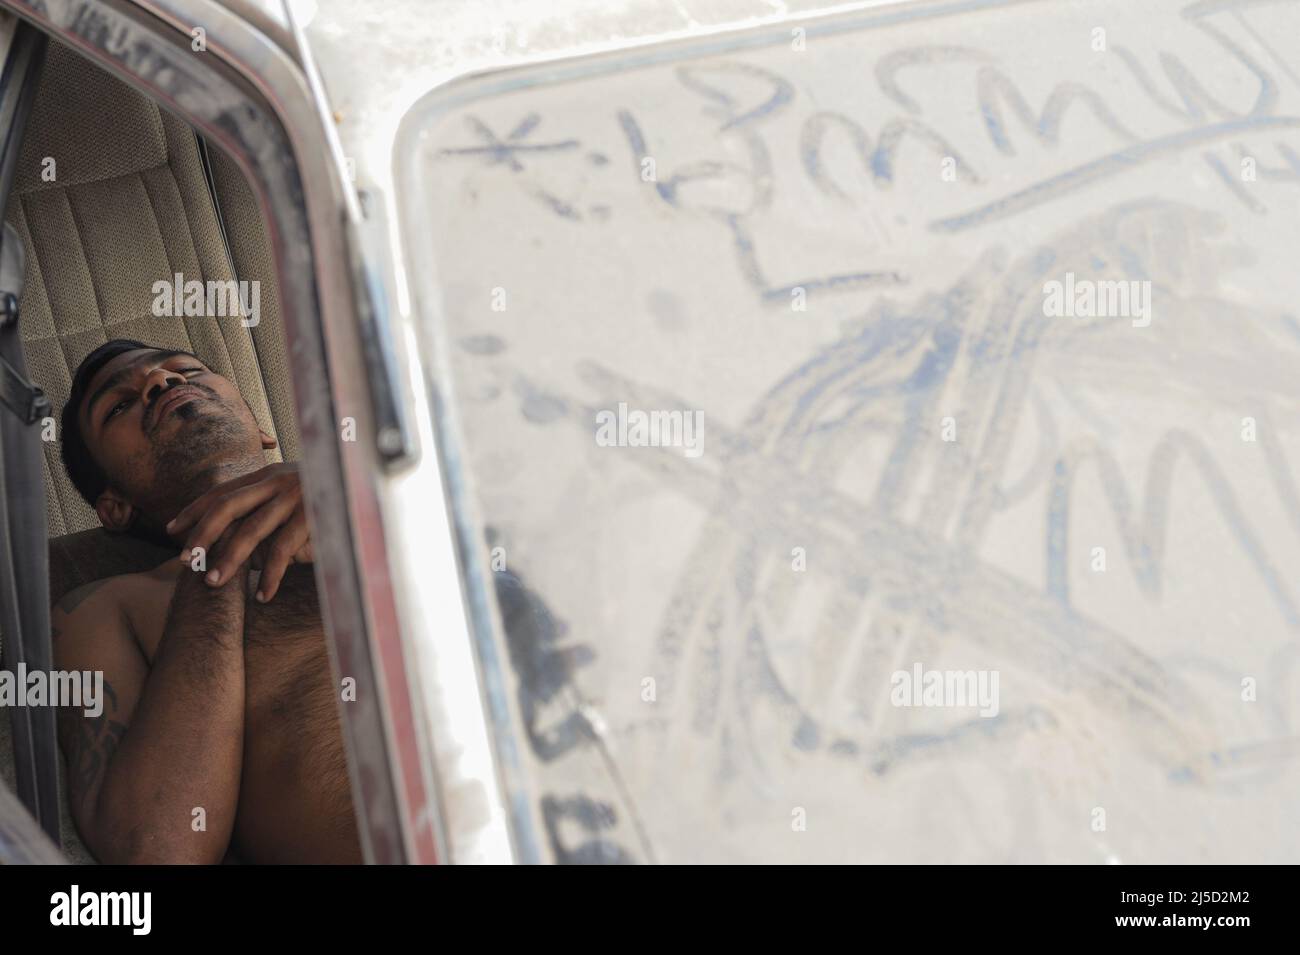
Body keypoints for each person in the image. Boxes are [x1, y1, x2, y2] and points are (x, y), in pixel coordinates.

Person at [51, 339, 361, 863]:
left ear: (262, 430)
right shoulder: (107, 611)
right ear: (115, 508)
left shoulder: (391, 491)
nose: (161, 382)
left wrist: (355, 490)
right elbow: (157, 851)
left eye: (186, 370)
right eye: (119, 406)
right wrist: (216, 542)